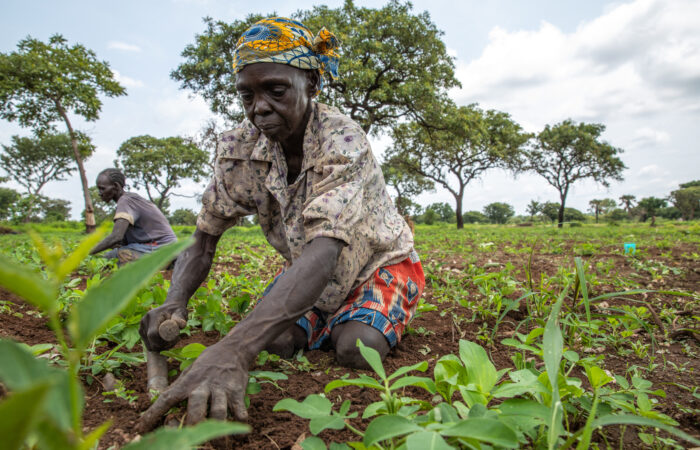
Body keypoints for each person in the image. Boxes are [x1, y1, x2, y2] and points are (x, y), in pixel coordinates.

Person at [137, 17, 424, 430]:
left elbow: (325, 250)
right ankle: (327, 317)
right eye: (247, 95)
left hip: (377, 264)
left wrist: (233, 350)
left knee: (358, 348)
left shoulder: (343, 140)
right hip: (308, 270)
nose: (259, 107)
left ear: (311, 83)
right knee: (272, 342)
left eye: (276, 90)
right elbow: (203, 239)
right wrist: (175, 299)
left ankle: (350, 318)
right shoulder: (238, 149)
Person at [90, 168, 177, 264]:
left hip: (160, 247)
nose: (100, 193)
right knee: (111, 255)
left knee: (114, 257)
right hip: (166, 248)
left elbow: (116, 237)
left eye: (103, 188)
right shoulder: (129, 200)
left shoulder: (126, 201)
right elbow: (121, 242)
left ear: (116, 186)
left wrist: (86, 253)